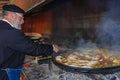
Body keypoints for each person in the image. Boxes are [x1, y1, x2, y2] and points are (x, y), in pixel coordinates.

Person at [0, 4, 59, 80]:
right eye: (21, 18)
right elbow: (34, 49)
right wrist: (52, 47)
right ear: (12, 16)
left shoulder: (2, 27)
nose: (22, 21)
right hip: (6, 73)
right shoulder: (11, 32)